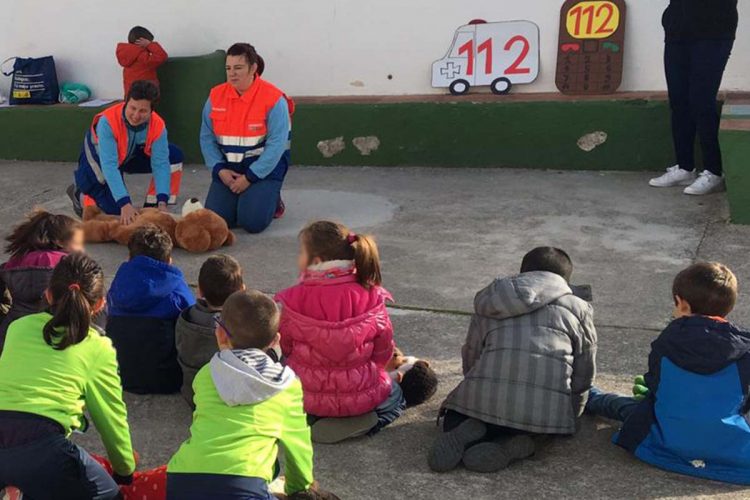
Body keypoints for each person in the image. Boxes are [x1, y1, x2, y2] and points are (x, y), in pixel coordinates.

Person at [429, 247, 597, 473]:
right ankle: (518, 444)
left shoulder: (493, 299)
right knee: (543, 428)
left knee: (459, 414)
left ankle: (469, 428)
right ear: (565, 280)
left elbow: (471, 354)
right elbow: (583, 370)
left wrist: (478, 387)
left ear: (523, 272)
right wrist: (572, 415)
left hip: (482, 401)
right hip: (538, 414)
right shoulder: (579, 309)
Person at [586, 262, 750, 485]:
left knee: (632, 408)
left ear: (682, 304)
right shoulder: (744, 349)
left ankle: (591, 397)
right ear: (729, 307)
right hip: (734, 452)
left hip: (666, 443)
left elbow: (655, 388)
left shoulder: (666, 341)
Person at [167, 290, 332, 499]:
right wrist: (299, 490)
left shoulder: (206, 375)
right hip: (244, 486)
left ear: (220, 334)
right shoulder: (286, 385)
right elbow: (297, 447)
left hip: (181, 480)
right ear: (275, 341)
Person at [0, 253, 135, 499]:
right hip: (45, 448)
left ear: (48, 294)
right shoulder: (98, 347)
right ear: (100, 304)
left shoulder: (17, 328)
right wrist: (124, 471)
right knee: (110, 494)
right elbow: (111, 417)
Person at [275, 221, 404, 444]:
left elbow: (285, 347)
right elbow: (383, 352)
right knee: (396, 396)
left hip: (307, 397)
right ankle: (365, 421)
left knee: (292, 387)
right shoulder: (371, 293)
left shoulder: (294, 298)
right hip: (360, 396)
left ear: (315, 261)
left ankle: (311, 421)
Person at [200, 43, 294, 233]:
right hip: (228, 169)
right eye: (228, 68)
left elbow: (277, 146)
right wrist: (219, 170)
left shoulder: (274, 99)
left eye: (238, 68)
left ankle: (273, 200)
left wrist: (250, 177)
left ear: (253, 68)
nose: (232, 73)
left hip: (264, 169)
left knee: (252, 222)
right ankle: (245, 199)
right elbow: (206, 137)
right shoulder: (215, 96)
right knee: (218, 221)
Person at [649, 0, 738, 195]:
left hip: (714, 31)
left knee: (701, 100)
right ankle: (684, 167)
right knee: (679, 100)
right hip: (678, 31)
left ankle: (714, 172)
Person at [69, 80, 184, 224]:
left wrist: (162, 202)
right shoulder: (107, 122)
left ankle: (152, 207)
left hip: (126, 155)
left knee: (174, 155)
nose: (136, 115)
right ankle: (80, 194)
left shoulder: (158, 125)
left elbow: (161, 164)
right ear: (126, 102)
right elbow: (109, 166)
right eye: (132, 108)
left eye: (143, 111)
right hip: (99, 160)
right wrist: (125, 203)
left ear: (152, 111)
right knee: (115, 214)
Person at [106, 224, 194, 394]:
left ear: (129, 257)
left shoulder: (118, 286)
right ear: (169, 260)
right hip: (168, 380)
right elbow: (193, 321)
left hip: (120, 376)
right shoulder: (177, 289)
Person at [0, 210, 84, 353]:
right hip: (59, 341)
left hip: (10, 338)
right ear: (59, 241)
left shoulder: (10, 265)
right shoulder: (70, 265)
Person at [175, 254, 245, 407]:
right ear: (241, 290)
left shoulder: (186, 317)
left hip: (193, 395)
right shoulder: (243, 324)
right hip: (230, 400)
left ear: (199, 291)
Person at [116, 25, 168, 98]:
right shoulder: (142, 58)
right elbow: (162, 56)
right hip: (146, 94)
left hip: (130, 96)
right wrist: (150, 45)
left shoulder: (127, 55)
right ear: (142, 41)